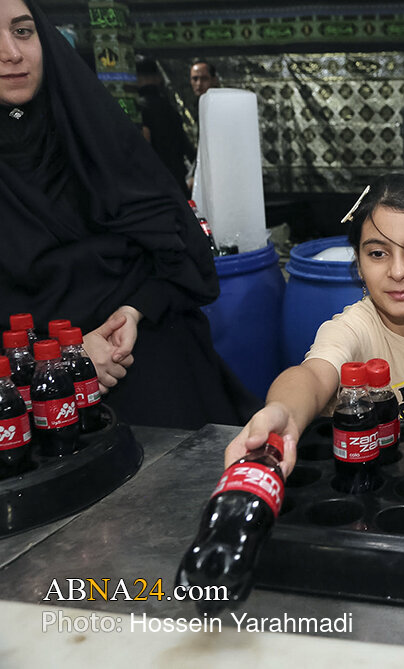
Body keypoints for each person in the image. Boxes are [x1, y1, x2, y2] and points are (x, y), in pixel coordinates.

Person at [0, 0, 259, 429]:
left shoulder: (95, 133)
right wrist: (64, 356)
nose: (11, 53)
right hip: (24, 388)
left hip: (138, 343)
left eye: (23, 32)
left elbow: (181, 252)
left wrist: (133, 311)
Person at [224, 173, 404, 475]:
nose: (397, 271)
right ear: (359, 262)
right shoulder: (352, 329)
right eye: (377, 254)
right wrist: (283, 412)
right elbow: (311, 377)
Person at [136, 54, 195, 192]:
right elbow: (185, 145)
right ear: (157, 77)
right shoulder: (169, 107)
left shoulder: (140, 109)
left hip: (156, 184)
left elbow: (145, 146)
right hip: (177, 180)